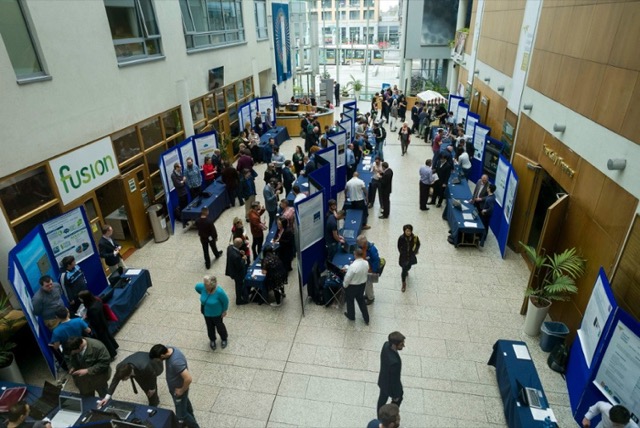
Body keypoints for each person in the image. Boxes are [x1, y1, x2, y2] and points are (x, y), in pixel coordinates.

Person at [149, 345, 200, 428]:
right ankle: (190, 419)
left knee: (181, 415)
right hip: (177, 389)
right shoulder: (169, 349)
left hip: (179, 391)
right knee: (185, 405)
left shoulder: (176, 362)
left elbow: (188, 379)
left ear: (162, 356)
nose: (157, 362)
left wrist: (181, 391)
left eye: (157, 360)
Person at [99, 351, 163, 407]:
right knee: (145, 388)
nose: (123, 381)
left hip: (152, 366)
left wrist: (152, 389)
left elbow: (152, 376)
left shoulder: (145, 367)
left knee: (150, 390)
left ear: (129, 375)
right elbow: (114, 381)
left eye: (124, 379)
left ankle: (154, 404)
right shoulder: (120, 367)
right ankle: (152, 398)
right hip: (138, 367)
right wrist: (107, 397)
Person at [78, 290, 119, 359]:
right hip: (103, 322)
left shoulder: (91, 309)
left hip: (99, 327)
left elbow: (95, 320)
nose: (79, 299)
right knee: (108, 335)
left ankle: (112, 354)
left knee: (105, 340)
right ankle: (114, 346)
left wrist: (88, 317)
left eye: (80, 298)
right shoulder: (97, 301)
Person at [196, 275, 229, 350]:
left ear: (212, 285)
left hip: (217, 313)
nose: (205, 286)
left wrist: (224, 310)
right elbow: (196, 287)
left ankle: (224, 338)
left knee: (219, 326)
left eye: (207, 285)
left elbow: (225, 301)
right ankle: (212, 340)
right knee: (209, 327)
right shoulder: (202, 287)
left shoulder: (219, 292)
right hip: (206, 313)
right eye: (205, 284)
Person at [377, 332, 405, 412]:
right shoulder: (394, 363)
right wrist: (396, 395)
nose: (403, 346)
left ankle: (380, 414)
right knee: (398, 400)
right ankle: (391, 415)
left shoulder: (386, 345)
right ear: (394, 345)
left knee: (382, 399)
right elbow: (394, 381)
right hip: (390, 386)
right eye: (401, 344)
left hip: (383, 381)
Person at [342, 248, 370, 325]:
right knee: (361, 302)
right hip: (362, 285)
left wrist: (344, 285)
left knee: (350, 301)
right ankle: (366, 318)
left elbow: (348, 278)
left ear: (355, 255)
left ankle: (351, 316)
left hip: (352, 287)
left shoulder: (353, 266)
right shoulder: (366, 263)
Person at [357, 234, 381, 305]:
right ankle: (367, 295)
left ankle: (370, 298)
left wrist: (374, 271)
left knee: (369, 284)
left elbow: (376, 260)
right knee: (365, 284)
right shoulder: (361, 247)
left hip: (370, 270)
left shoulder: (372, 249)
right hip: (364, 268)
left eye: (360, 244)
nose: (359, 245)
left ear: (364, 243)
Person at [226, 237, 249, 305]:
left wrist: (239, 252)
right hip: (237, 273)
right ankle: (239, 300)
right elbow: (240, 266)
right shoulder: (236, 257)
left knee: (238, 284)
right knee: (239, 285)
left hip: (231, 269)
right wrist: (243, 259)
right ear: (240, 245)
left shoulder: (229, 247)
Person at [397, 225, 420, 292]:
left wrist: (414, 251)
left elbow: (418, 244)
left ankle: (407, 270)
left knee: (409, 266)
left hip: (411, 256)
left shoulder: (414, 237)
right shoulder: (401, 238)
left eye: (409, 231)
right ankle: (403, 283)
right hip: (404, 256)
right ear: (404, 231)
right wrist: (402, 252)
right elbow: (399, 246)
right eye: (407, 231)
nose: (408, 232)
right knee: (404, 270)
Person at [171, 162, 189, 228]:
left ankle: (187, 219)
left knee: (186, 206)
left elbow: (183, 183)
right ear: (176, 168)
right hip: (181, 194)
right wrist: (183, 181)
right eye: (180, 167)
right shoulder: (173, 175)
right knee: (182, 207)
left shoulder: (180, 172)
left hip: (185, 191)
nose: (181, 168)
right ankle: (184, 222)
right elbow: (178, 184)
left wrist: (182, 181)